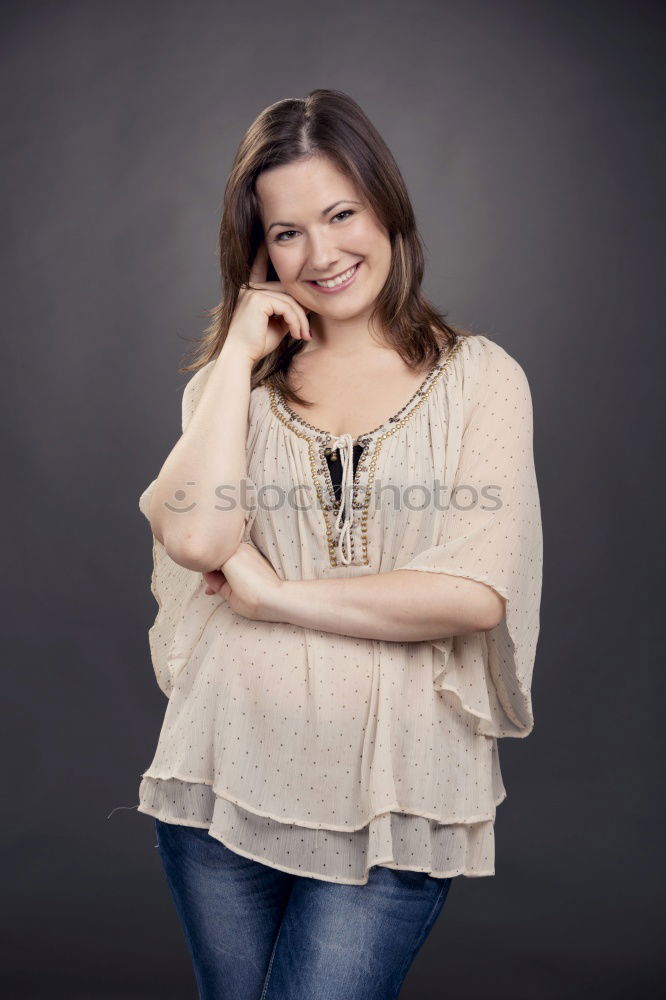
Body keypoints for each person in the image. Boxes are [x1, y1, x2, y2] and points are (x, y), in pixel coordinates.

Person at [131, 89, 543, 999]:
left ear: (387, 207)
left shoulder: (482, 380)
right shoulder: (225, 389)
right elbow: (200, 533)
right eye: (285, 233)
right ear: (257, 250)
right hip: (223, 776)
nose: (320, 254)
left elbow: (474, 594)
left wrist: (275, 597)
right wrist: (237, 358)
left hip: (395, 793)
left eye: (341, 213)